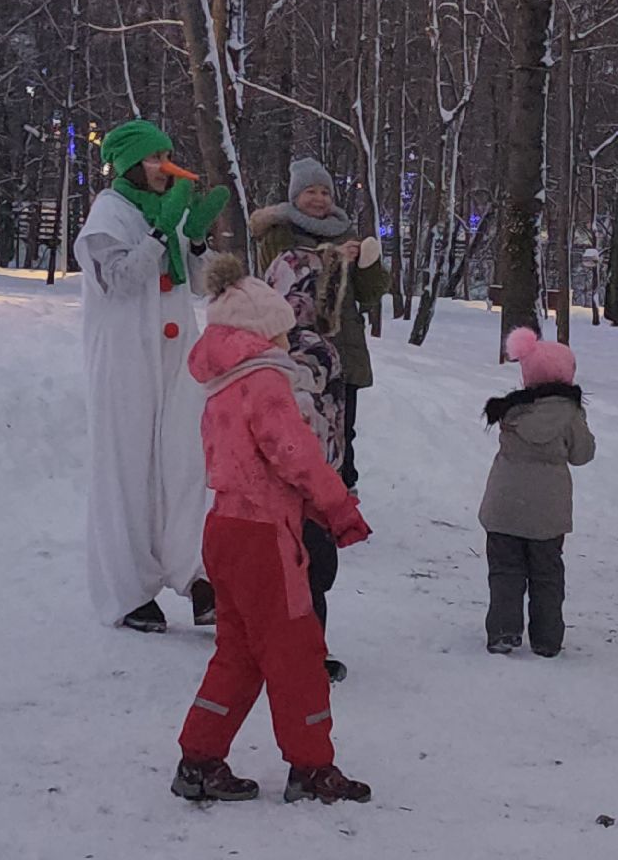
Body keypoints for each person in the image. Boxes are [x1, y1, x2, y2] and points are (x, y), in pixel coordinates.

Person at [173, 254, 373, 805]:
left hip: (226, 529)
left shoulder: (221, 386)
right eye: (283, 332)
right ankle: (311, 768)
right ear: (265, 333)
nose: (288, 342)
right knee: (296, 652)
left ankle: (200, 757)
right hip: (264, 539)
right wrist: (338, 508)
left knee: (238, 652)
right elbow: (295, 455)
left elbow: (251, 466)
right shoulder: (263, 382)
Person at [72, 120, 229, 633]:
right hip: (125, 356)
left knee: (184, 464)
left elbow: (202, 286)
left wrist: (197, 239)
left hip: (176, 354)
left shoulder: (171, 212)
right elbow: (118, 280)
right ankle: (128, 589)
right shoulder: (108, 214)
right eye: (157, 158)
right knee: (127, 468)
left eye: (169, 155)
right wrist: (161, 232)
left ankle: (195, 573)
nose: (168, 168)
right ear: (132, 164)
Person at [251, 157, 386, 682]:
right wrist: (331, 258)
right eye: (309, 192)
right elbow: (283, 279)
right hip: (294, 357)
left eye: (324, 192)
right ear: (294, 196)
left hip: (341, 356)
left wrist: (367, 261)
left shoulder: (347, 231)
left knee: (339, 441)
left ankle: (334, 503)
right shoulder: (277, 231)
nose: (318, 199)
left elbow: (372, 295)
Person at [480, 327, 594, 658]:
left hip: (503, 507)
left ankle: (503, 632)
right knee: (546, 573)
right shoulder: (570, 415)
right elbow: (582, 454)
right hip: (548, 513)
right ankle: (546, 639)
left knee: (504, 571)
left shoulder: (510, 411)